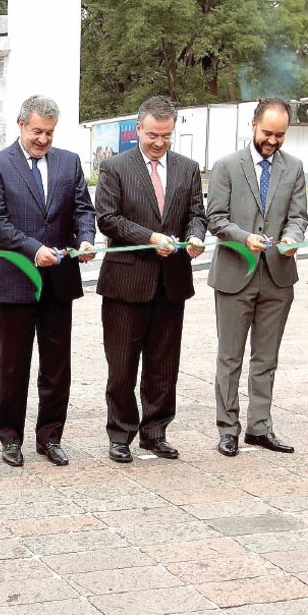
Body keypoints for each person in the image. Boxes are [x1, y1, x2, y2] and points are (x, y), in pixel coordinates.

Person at [0, 95, 96, 468]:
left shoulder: (69, 162)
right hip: (17, 279)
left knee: (57, 365)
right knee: (13, 365)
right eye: (36, 132)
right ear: (20, 125)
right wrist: (33, 249)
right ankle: (10, 438)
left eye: (48, 132)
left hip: (60, 280)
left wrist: (86, 239)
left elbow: (83, 209)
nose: (43, 139)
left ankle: (50, 437)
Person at [95, 95, 206, 463]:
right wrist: (150, 238)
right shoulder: (114, 168)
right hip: (127, 283)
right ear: (138, 129)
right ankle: (121, 434)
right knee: (122, 365)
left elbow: (196, 214)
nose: (159, 143)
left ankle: (155, 431)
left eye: (167, 136)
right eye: (153, 135)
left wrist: (196, 237)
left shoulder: (188, 168)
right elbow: (108, 219)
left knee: (163, 363)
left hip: (171, 282)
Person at [206, 98, 307, 457]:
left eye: (280, 135)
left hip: (278, 277)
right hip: (235, 274)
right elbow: (215, 219)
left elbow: (299, 216)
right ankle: (228, 428)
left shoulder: (294, 168)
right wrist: (243, 237)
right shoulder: (226, 166)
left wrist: (294, 237)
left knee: (266, 357)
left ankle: (259, 427)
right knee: (230, 357)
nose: (273, 141)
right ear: (253, 125)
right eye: (268, 133)